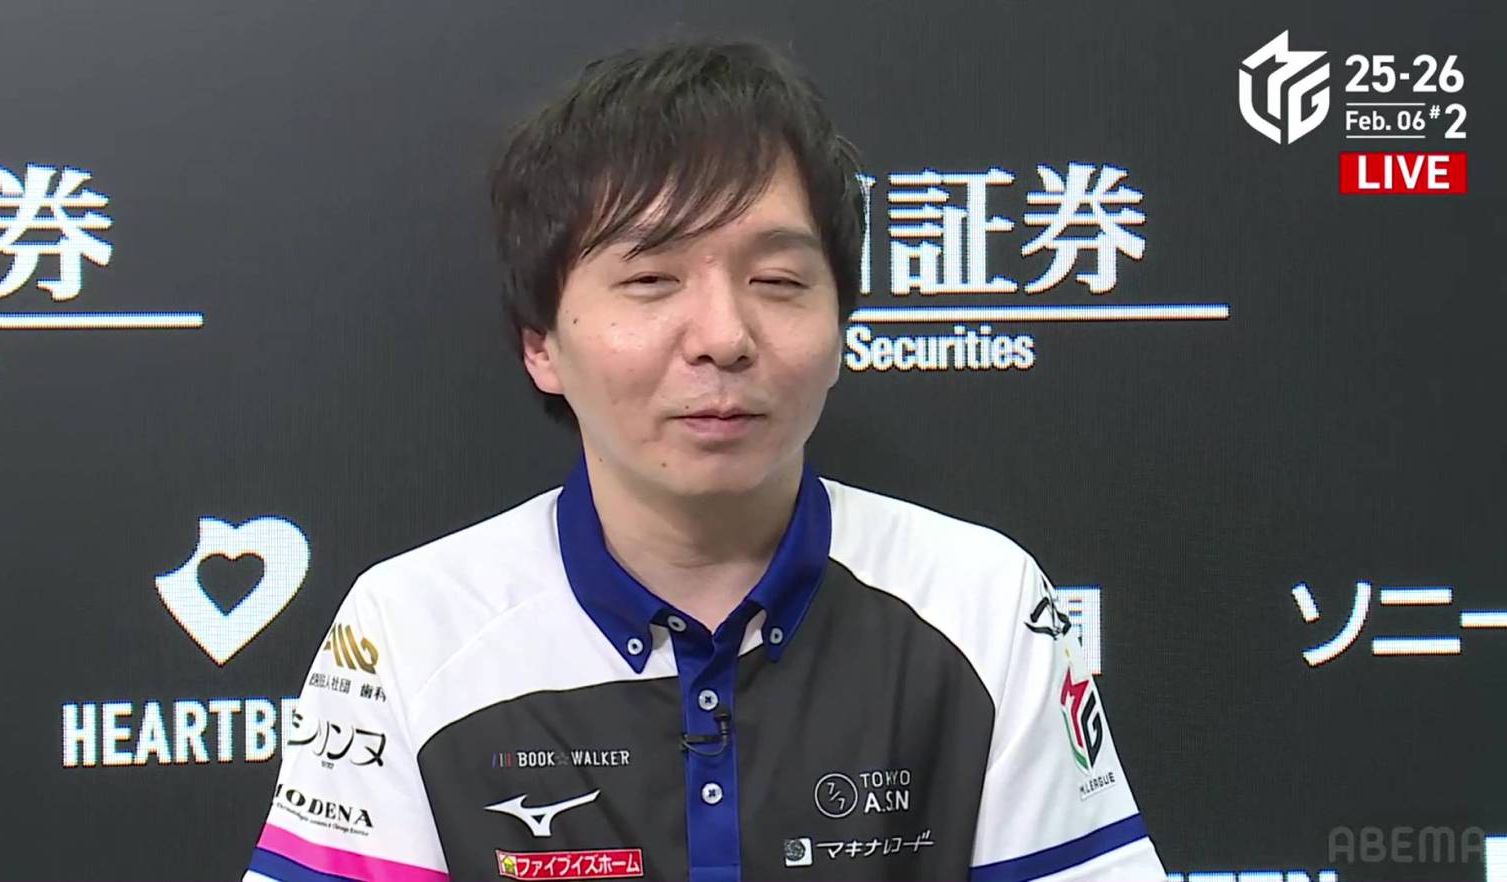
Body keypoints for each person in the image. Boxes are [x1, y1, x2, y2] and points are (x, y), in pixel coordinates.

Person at [242, 36, 1167, 882]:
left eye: (778, 280)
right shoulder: (413, 629)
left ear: (840, 327)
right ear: (541, 344)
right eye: (651, 279)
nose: (724, 336)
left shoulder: (982, 605)